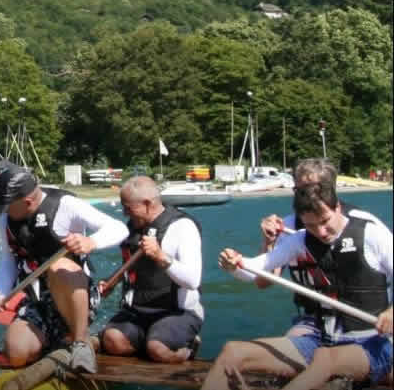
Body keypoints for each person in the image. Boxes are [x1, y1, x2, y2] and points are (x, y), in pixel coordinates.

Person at [200, 170, 393, 390]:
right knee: (232, 352)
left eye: (325, 221)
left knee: (325, 360)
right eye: (310, 225)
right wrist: (234, 264)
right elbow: (257, 270)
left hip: (372, 342)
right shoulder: (300, 239)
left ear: (337, 208)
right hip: (320, 339)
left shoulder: (371, 234)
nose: (320, 232)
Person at [0, 161, 128, 374]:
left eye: (7, 205)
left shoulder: (66, 204)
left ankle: (80, 342)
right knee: (16, 353)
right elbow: (9, 259)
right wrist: (1, 293)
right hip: (39, 301)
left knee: (57, 265)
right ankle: (57, 342)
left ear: (28, 201)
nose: (3, 210)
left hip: (75, 295)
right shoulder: (6, 218)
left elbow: (119, 228)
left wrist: (91, 242)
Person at [256, 158, 387, 342]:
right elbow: (264, 282)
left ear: (330, 189)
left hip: (366, 321)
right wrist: (268, 242)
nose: (307, 196)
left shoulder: (365, 225)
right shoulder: (287, 226)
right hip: (314, 320)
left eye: (313, 189)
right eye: (300, 191)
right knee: (289, 347)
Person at [99, 176, 203, 364]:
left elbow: (193, 280)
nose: (125, 213)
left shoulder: (183, 227)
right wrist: (111, 282)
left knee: (157, 349)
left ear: (147, 204)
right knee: (112, 340)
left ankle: (185, 348)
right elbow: (132, 269)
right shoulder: (132, 229)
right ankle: (149, 341)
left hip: (178, 312)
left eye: (128, 208)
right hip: (138, 311)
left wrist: (161, 256)